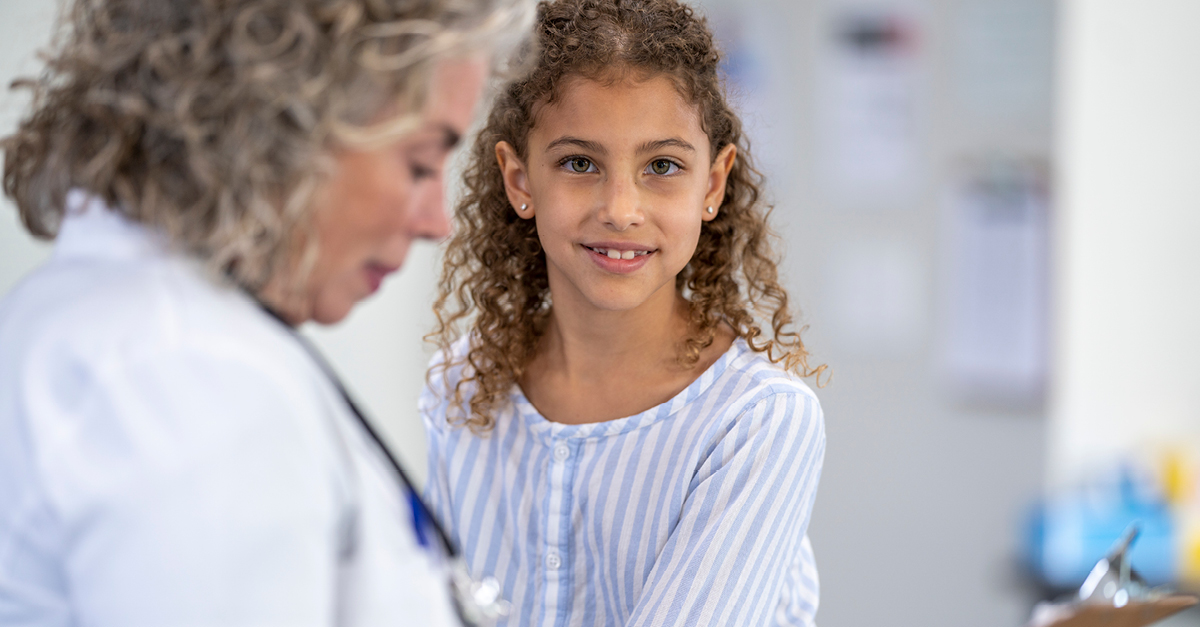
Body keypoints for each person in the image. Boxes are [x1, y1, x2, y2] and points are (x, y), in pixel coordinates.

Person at [0, 0, 528, 625]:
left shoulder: (112, 321)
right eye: (418, 163)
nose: (437, 223)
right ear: (278, 129)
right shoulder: (189, 369)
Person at [420, 0, 828, 624]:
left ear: (712, 185)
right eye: (579, 163)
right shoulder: (461, 387)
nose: (620, 209)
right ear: (520, 181)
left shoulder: (757, 420)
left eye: (661, 166)